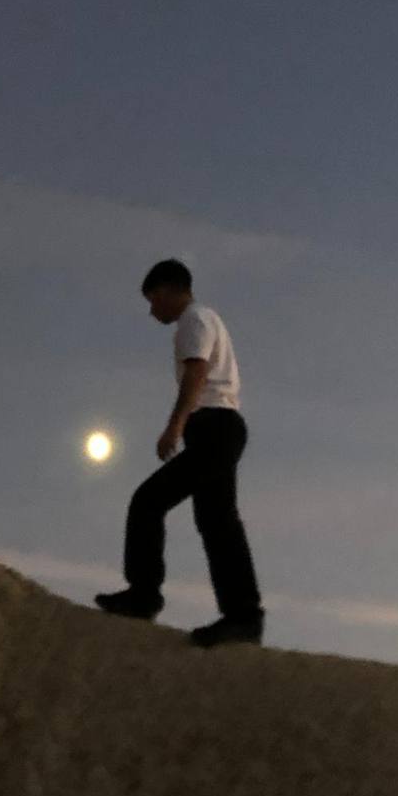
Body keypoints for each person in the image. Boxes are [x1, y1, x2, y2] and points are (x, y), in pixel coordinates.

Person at [95, 258, 265, 648]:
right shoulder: (204, 319)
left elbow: (197, 372)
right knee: (217, 521)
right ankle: (243, 616)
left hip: (214, 426)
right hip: (220, 428)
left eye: (153, 298)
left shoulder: (195, 319)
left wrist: (175, 425)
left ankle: (144, 595)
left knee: (147, 502)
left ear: (171, 290)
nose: (152, 308)